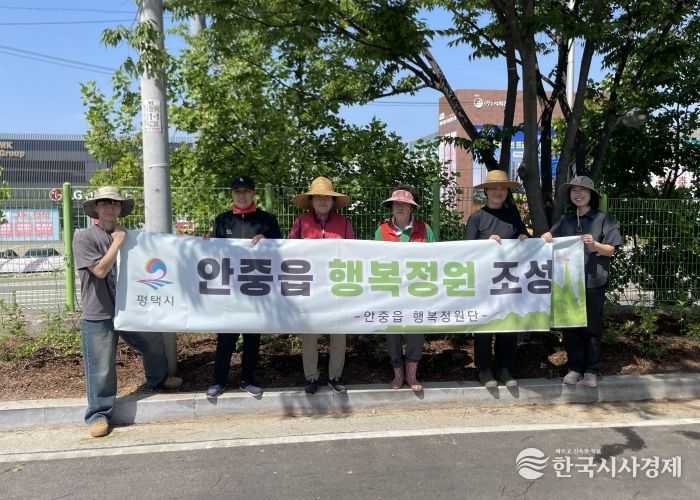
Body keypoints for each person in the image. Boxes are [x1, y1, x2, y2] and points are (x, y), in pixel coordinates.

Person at [73, 186, 182, 438]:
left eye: (115, 203)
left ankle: (158, 379)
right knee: (101, 367)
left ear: (120, 208)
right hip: (99, 312)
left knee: (153, 342)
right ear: (96, 208)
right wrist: (118, 242)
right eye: (104, 203)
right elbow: (100, 271)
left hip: (130, 308)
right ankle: (98, 415)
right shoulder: (84, 237)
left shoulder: (132, 236)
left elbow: (160, 252)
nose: (109, 207)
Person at [541, 176, 622, 388]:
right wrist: (546, 237)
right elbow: (548, 239)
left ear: (591, 195)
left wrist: (595, 246)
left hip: (593, 281)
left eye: (583, 190)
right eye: (574, 190)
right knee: (571, 326)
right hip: (568, 283)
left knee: (592, 327)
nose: (578, 194)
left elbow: (611, 249)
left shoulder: (603, 219)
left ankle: (592, 370)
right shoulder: (565, 220)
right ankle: (575, 368)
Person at [206, 176, 282, 398]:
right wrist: (205, 245)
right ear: (232, 194)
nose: (242, 195)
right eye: (237, 191)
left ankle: (248, 380)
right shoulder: (222, 220)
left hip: (256, 290)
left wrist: (267, 241)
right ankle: (218, 381)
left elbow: (281, 249)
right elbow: (213, 253)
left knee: (252, 338)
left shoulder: (267, 220)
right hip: (229, 291)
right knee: (225, 338)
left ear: (253, 193)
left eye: (246, 191)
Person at [289, 176, 354, 394]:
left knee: (339, 334)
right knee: (309, 334)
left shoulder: (344, 224)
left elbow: (354, 253)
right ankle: (311, 377)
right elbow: (289, 251)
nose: (323, 201)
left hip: (336, 286)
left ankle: (335, 377)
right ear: (311, 201)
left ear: (333, 201)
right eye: (318, 197)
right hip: (310, 287)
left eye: (327, 197)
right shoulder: (301, 222)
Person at [464, 170, 529, 389]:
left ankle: (504, 369)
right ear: (486, 191)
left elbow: (525, 239)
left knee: (508, 326)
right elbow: (466, 249)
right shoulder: (477, 218)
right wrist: (485, 244)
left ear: (507, 192)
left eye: (502, 188)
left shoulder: (513, 215)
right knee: (484, 327)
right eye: (493, 188)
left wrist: (524, 237)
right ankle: (483, 370)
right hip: (484, 283)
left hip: (509, 281)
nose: (498, 192)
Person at [374, 186, 435, 391]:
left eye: (405, 204)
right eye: (396, 204)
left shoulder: (425, 229)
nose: (400, 207)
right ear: (391, 207)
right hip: (391, 291)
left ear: (411, 208)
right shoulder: (381, 231)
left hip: (418, 291)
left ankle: (412, 376)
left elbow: (437, 257)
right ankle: (397, 375)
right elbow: (374, 260)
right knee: (392, 334)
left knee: (416, 333)